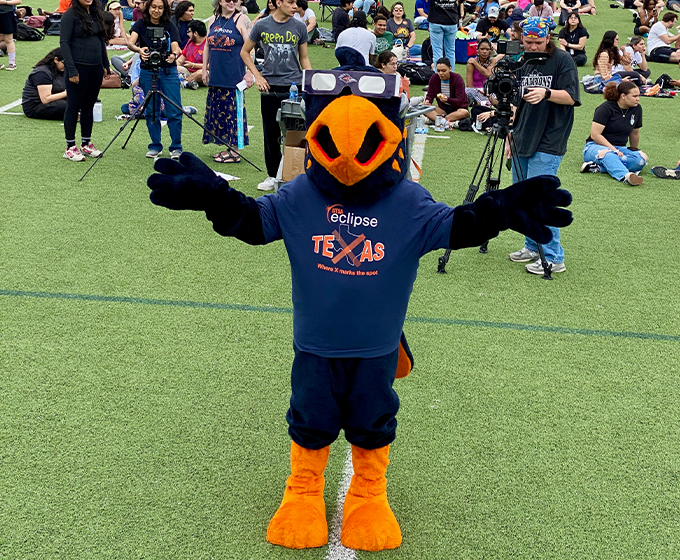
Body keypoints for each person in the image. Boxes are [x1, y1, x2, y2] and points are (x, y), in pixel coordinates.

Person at [507, 16, 579, 274]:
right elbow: (516, 102)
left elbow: (571, 97)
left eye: (537, 42)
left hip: (549, 139)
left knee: (539, 199)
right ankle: (531, 245)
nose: (532, 46)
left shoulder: (563, 60)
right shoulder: (523, 61)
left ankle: (553, 257)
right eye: (528, 42)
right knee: (522, 197)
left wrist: (546, 93)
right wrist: (510, 134)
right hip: (523, 135)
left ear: (548, 37)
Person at [241, 0, 310, 191]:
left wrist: (311, 82)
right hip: (270, 87)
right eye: (290, 2)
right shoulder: (262, 25)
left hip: (295, 86)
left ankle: (295, 175)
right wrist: (258, 76)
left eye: (296, 2)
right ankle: (273, 175)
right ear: (278, 3)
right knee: (271, 133)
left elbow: (304, 58)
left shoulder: (299, 27)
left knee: (296, 133)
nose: (295, 5)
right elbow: (245, 52)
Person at [129, 0, 183, 159]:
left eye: (160, 8)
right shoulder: (140, 24)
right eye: (154, 7)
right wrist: (140, 50)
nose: (157, 11)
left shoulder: (169, 25)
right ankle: (155, 145)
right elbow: (130, 43)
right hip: (147, 71)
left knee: (174, 108)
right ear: (148, 7)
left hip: (168, 70)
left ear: (164, 9)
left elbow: (176, 46)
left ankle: (176, 147)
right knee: (151, 110)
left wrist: (173, 54)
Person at [60, 0, 110, 161]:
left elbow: (101, 40)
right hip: (78, 68)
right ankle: (70, 146)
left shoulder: (96, 14)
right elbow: (64, 43)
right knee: (74, 107)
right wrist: (72, 69)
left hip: (95, 68)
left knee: (89, 106)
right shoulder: (70, 15)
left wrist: (105, 63)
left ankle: (86, 143)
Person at [203, 0, 253, 163]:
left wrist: (250, 73)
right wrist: (204, 69)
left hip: (234, 76)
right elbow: (207, 46)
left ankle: (235, 151)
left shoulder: (241, 19)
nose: (232, 2)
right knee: (220, 113)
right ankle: (228, 147)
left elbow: (250, 47)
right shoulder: (213, 19)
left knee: (234, 113)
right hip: (217, 75)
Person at [581, 81, 646, 185]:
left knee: (641, 159)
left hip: (619, 147)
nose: (638, 98)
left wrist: (634, 151)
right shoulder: (605, 108)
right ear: (623, 96)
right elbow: (595, 135)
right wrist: (614, 150)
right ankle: (625, 176)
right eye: (634, 96)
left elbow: (634, 133)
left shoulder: (637, 109)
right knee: (609, 155)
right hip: (595, 146)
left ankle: (598, 167)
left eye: (638, 95)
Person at [22, 47, 67, 119]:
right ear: (56, 60)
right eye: (65, 62)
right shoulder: (42, 73)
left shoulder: (62, 70)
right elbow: (45, 99)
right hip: (36, 106)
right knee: (64, 106)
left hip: (55, 100)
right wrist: (67, 93)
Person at [423, 56, 469, 126]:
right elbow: (430, 95)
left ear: (450, 69)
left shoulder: (457, 79)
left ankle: (440, 120)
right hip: (443, 110)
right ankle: (446, 122)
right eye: (438, 71)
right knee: (423, 107)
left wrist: (448, 100)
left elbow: (460, 101)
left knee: (464, 112)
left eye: (443, 71)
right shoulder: (434, 78)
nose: (441, 73)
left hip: (457, 109)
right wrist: (428, 101)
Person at [427, 0, 461, 70]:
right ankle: (451, 74)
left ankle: (438, 75)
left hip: (436, 21)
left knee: (437, 51)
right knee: (450, 51)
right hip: (451, 21)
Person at [177, 18, 205, 86]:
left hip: (203, 72)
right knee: (175, 68)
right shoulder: (190, 41)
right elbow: (181, 58)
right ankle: (190, 82)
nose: (187, 34)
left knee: (200, 73)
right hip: (188, 71)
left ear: (195, 33)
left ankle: (185, 82)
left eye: (189, 32)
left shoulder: (208, 44)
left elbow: (211, 66)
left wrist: (193, 65)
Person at [465, 37, 495, 102]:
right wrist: (480, 91)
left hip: (488, 90)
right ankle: (484, 102)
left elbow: (488, 74)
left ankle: (481, 102)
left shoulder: (492, 61)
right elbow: (469, 85)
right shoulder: (471, 63)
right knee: (467, 91)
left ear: (490, 51)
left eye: (487, 49)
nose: (484, 51)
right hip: (475, 90)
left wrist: (476, 64)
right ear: (477, 50)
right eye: (482, 49)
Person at [0, 0, 20, 70]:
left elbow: (18, 1)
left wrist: (5, 2)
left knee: (8, 39)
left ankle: (12, 63)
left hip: (7, 14)